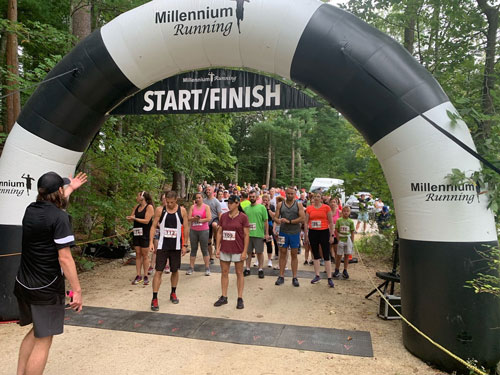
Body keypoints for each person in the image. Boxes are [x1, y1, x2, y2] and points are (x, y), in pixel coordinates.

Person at [14, 171, 87, 375]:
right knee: (44, 339)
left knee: (37, 331)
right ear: (59, 192)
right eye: (63, 188)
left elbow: (55, 205)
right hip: (45, 288)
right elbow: (64, 258)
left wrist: (70, 187)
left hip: (24, 283)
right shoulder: (60, 218)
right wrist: (77, 290)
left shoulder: (31, 210)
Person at [149, 191, 189, 311]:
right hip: (163, 245)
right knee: (158, 271)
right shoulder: (160, 210)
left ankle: (173, 292)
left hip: (176, 245)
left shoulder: (182, 211)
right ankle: (154, 297)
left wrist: (185, 244)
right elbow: (153, 226)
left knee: (175, 270)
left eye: (172, 202)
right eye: (168, 202)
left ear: (176, 200)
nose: (170, 204)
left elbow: (186, 227)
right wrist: (151, 242)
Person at [214, 195, 250, 309]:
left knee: (239, 273)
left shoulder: (243, 217)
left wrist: (245, 251)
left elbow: (246, 235)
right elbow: (219, 232)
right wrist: (218, 248)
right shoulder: (224, 216)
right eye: (228, 203)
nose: (229, 205)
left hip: (238, 249)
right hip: (225, 248)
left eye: (231, 203)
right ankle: (224, 296)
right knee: (224, 272)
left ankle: (240, 298)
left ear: (237, 203)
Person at [274, 187, 305, 287]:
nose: (290, 195)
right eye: (288, 193)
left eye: (292, 194)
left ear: (295, 194)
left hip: (295, 232)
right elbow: (275, 217)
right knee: (282, 253)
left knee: (294, 254)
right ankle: (281, 276)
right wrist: (278, 221)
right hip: (283, 232)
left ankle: (294, 277)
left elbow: (302, 218)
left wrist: (290, 221)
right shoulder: (280, 204)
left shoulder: (298, 204)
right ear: (285, 194)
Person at [304, 192, 335, 287]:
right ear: (312, 199)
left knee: (326, 254)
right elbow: (306, 222)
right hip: (313, 232)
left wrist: (331, 235)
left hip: (324, 231)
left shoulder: (326, 208)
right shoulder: (309, 208)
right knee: (315, 254)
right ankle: (317, 275)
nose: (316, 198)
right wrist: (306, 235)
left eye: (318, 196)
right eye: (314, 197)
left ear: (321, 198)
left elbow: (331, 222)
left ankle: (329, 277)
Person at [127, 191, 154, 286]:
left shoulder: (149, 207)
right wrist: (130, 218)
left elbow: (147, 221)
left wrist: (135, 219)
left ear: (142, 197)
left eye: (138, 196)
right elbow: (132, 216)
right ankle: (138, 275)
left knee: (145, 255)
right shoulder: (136, 207)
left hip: (145, 233)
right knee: (138, 254)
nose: (136, 198)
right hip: (137, 233)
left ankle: (146, 275)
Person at [243, 190, 269, 278]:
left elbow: (266, 221)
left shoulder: (262, 208)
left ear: (257, 197)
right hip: (248, 235)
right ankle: (247, 268)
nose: (252, 198)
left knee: (259, 252)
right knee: (248, 252)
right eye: (250, 197)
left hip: (259, 234)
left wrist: (266, 233)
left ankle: (260, 269)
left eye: (253, 197)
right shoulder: (246, 209)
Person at [187, 192, 212, 276]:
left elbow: (209, 218)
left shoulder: (206, 207)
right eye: (196, 198)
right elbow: (188, 218)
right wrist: (194, 219)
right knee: (193, 249)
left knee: (204, 249)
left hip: (203, 230)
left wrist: (200, 220)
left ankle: (207, 267)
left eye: (199, 198)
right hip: (194, 230)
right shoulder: (192, 207)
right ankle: (191, 267)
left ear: (202, 198)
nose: (197, 199)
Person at [334, 206, 355, 279]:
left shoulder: (351, 222)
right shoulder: (339, 220)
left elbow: (352, 232)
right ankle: (337, 269)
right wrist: (338, 239)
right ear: (342, 212)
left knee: (346, 255)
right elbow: (336, 230)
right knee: (339, 255)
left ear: (349, 213)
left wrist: (352, 241)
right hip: (341, 240)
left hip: (348, 240)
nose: (346, 212)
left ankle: (345, 270)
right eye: (344, 211)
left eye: (347, 211)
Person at [204, 185, 222, 265]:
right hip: (207, 221)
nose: (207, 191)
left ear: (213, 191)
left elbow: (219, 214)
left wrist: (221, 224)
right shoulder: (204, 201)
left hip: (215, 219)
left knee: (214, 225)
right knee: (208, 241)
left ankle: (215, 238)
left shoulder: (216, 201)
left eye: (209, 190)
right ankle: (211, 257)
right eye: (207, 190)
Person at [262, 193, 278, 268]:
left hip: (270, 225)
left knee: (269, 242)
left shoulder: (272, 206)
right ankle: (258, 259)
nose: (265, 201)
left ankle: (269, 259)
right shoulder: (260, 207)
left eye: (266, 200)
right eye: (264, 200)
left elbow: (273, 216)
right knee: (260, 242)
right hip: (261, 226)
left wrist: (268, 208)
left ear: (269, 200)